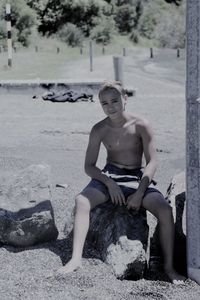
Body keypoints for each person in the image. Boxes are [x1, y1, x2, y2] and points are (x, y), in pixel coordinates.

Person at [57, 81, 185, 284]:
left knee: (165, 210)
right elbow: (89, 166)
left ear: (125, 99)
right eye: (105, 103)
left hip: (136, 177)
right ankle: (75, 259)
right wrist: (109, 183)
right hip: (111, 175)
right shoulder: (99, 129)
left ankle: (169, 267)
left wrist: (140, 193)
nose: (110, 106)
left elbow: (152, 162)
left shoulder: (141, 124)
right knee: (81, 201)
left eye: (115, 100)